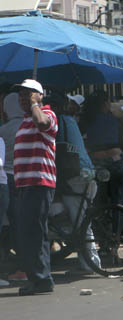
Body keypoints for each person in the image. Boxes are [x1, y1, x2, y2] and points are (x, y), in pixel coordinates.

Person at [47, 93, 101, 274]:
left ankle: (90, 265)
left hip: (75, 176)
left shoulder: (58, 124)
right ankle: (89, 262)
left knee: (81, 224)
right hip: (87, 174)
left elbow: (60, 154)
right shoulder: (70, 121)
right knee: (82, 221)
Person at [14, 79, 57, 295]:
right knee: (28, 232)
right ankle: (38, 277)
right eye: (21, 95)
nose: (24, 98)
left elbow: (42, 124)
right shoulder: (25, 119)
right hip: (26, 184)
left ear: (40, 95)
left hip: (39, 182)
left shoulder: (47, 114)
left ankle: (41, 279)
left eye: (29, 94)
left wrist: (34, 105)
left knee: (34, 233)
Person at [0, 92, 26, 281]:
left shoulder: (4, 130)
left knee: (9, 224)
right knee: (21, 224)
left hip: (7, 178)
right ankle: (25, 265)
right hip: (25, 178)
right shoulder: (28, 126)